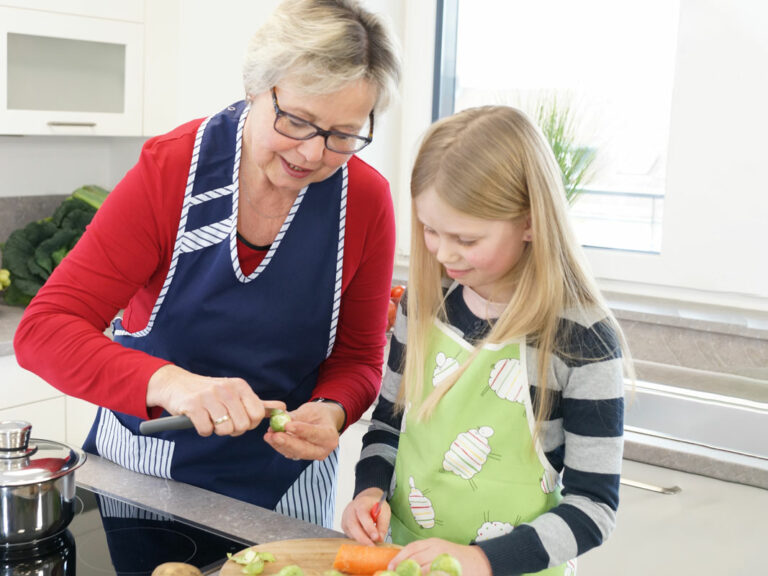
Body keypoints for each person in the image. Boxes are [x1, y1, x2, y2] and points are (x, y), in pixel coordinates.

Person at [13, 0, 401, 529]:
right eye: (298, 122)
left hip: (288, 487)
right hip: (145, 473)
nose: (313, 154)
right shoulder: (172, 170)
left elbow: (358, 358)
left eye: (343, 135)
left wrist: (332, 411)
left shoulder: (366, 201)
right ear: (255, 87)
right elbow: (43, 332)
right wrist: (173, 384)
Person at [341, 106, 630, 575]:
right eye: (430, 231)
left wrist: (479, 560)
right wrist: (369, 490)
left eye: (467, 239)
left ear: (530, 222)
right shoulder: (425, 301)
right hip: (406, 560)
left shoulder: (580, 339)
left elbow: (594, 508)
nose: (445, 253)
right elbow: (389, 426)